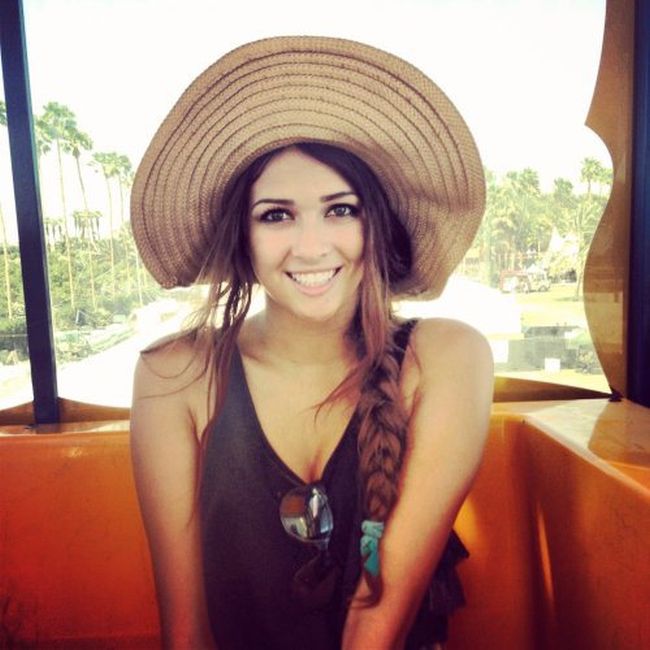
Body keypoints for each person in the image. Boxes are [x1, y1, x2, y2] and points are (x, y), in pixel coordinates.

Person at [129, 35, 494, 650]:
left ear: (376, 224)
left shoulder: (447, 358)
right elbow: (186, 633)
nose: (311, 246)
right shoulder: (175, 375)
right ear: (242, 238)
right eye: (276, 215)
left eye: (340, 209)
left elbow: (378, 618)